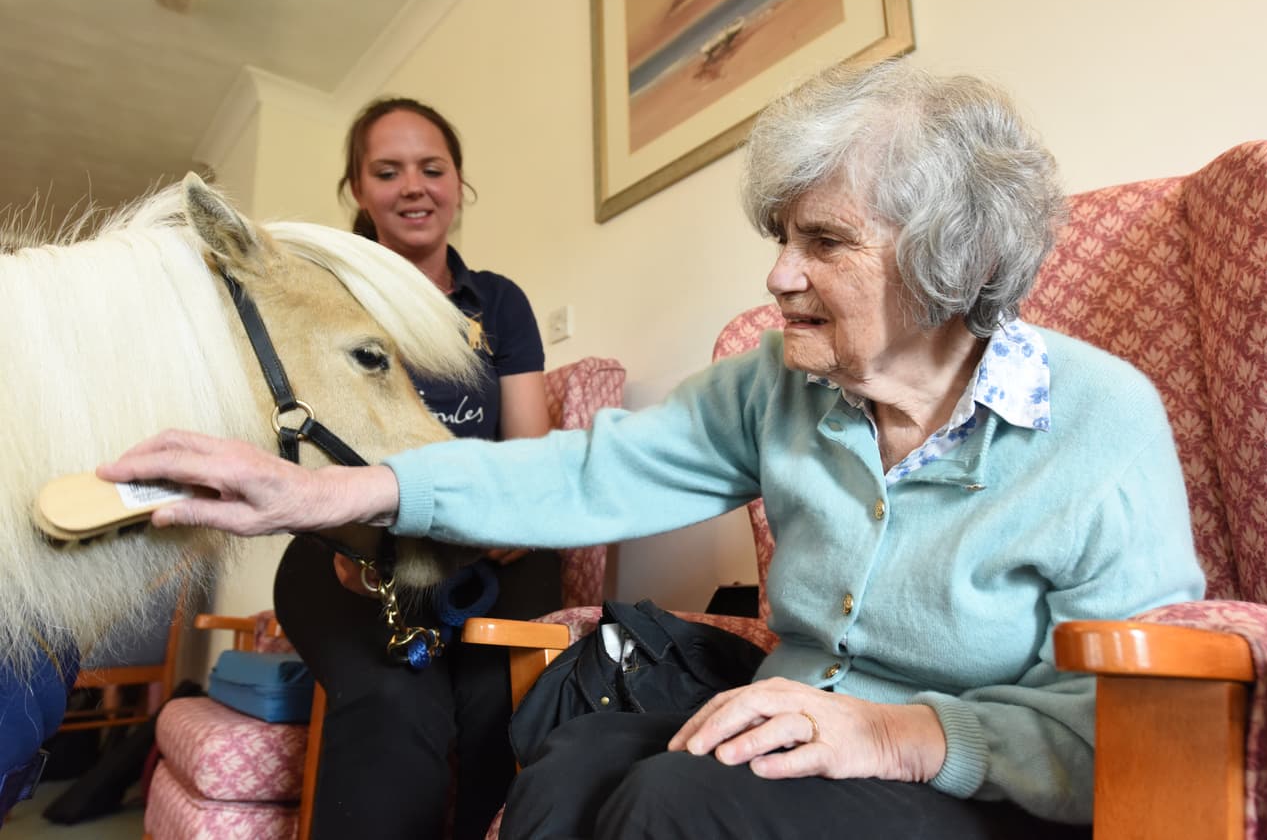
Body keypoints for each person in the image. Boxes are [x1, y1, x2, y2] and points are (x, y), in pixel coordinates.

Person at [102, 60, 1205, 839]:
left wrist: (902, 732)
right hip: (786, 723)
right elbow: (585, 470)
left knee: (673, 801)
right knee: (572, 763)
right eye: (781, 236)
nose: (778, 275)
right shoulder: (778, 385)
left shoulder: (1099, 420)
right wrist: (334, 490)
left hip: (972, 780)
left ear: (949, 259)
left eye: (823, 241)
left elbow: (1131, 731)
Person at [268, 98, 560, 839]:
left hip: (485, 549)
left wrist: (510, 521)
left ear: (458, 183)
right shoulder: (321, 300)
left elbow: (529, 455)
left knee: (498, 703)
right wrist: (350, 536)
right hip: (348, 550)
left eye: (432, 169)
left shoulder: (499, 303)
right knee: (395, 701)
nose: (413, 188)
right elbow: (298, 446)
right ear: (358, 190)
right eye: (388, 171)